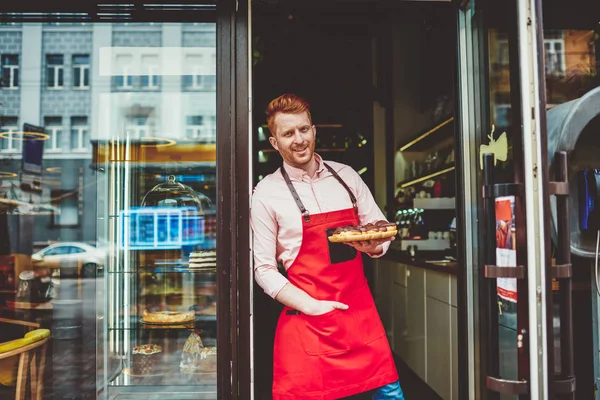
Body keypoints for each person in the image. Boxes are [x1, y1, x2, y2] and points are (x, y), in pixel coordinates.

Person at [250, 93, 405, 399]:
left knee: (391, 395)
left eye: (304, 129)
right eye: (288, 133)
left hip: (359, 317)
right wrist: (311, 305)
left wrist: (374, 246)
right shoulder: (266, 193)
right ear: (274, 142)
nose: (299, 140)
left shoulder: (346, 177)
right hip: (307, 322)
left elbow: (378, 229)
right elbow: (264, 269)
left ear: (314, 130)